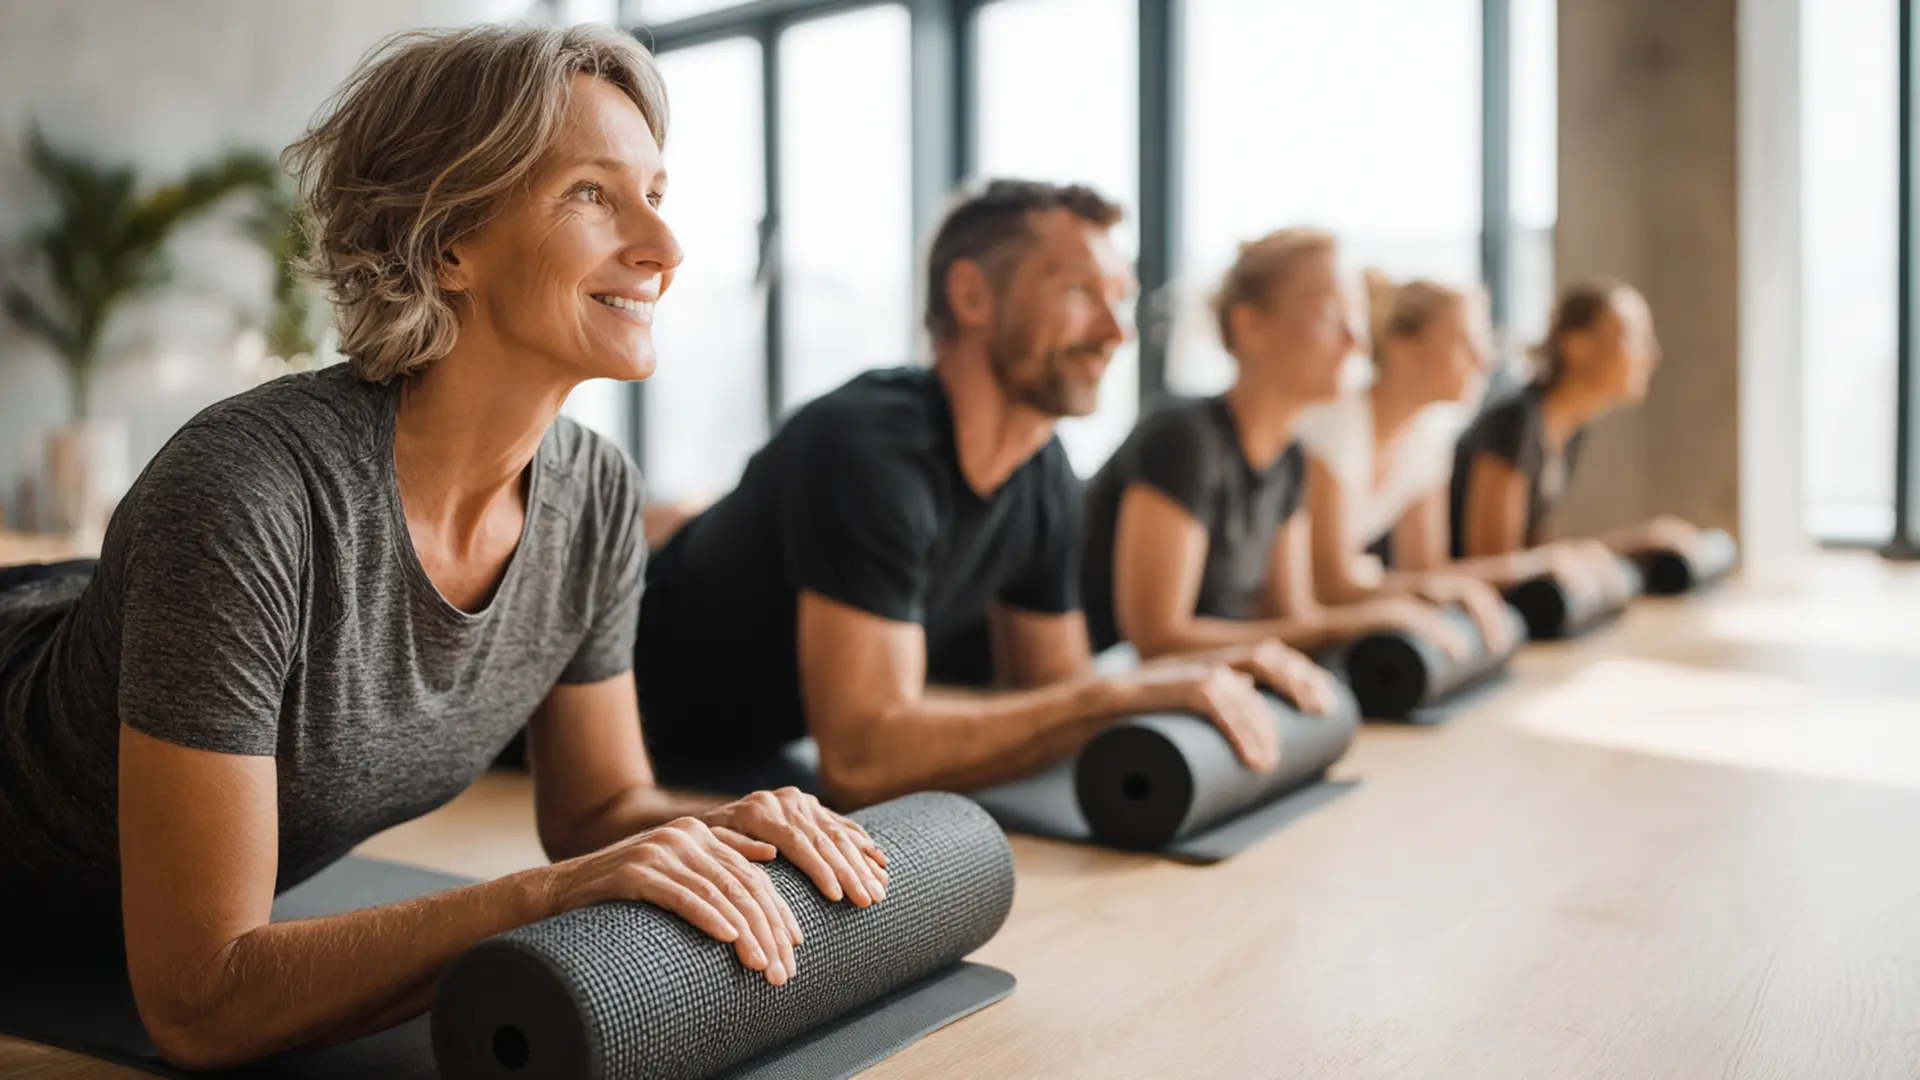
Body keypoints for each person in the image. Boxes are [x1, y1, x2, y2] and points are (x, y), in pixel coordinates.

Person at [0, 26, 883, 1070]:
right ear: (447, 243)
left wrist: (727, 832)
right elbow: (201, 1001)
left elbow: (598, 809)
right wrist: (548, 897)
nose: (665, 246)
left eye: (655, 193)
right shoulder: (247, 491)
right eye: (593, 195)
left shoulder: (594, 495)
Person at [636, 180, 1338, 810]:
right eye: (1079, 291)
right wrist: (1122, 692)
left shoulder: (1043, 470)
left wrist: (1194, 673)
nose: (1116, 331)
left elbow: (1053, 692)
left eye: (1120, 298)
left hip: (756, 761)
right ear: (971, 296)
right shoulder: (864, 446)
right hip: (632, 759)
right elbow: (861, 757)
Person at [1080, 229, 1506, 667]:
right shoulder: (1181, 438)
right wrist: (1368, 619)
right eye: (1331, 316)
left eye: (1357, 318)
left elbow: (1292, 618)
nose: (1356, 341)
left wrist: (1388, 614)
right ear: (1251, 326)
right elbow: (1156, 637)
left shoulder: (1289, 460)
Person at [1297, 271, 1611, 612]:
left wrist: (1542, 563)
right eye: (1465, 344)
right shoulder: (1338, 422)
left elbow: (1426, 570)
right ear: (1402, 347)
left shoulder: (1428, 439)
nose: (1484, 361)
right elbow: (1331, 584)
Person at [1450, 279, 1705, 571]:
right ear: (1576, 344)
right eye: (1633, 337)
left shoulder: (1569, 429)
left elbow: (1533, 552)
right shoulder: (1515, 421)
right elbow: (1496, 560)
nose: (1651, 354)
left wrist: (1639, 543)